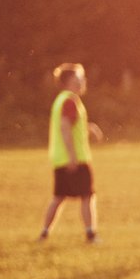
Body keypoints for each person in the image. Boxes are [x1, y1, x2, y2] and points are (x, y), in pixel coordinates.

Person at [39, 63, 104, 243]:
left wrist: (89, 128)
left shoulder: (63, 99)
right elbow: (65, 127)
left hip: (61, 158)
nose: (83, 81)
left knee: (59, 196)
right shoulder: (70, 100)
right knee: (88, 195)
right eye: (80, 78)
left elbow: (72, 125)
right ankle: (91, 234)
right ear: (71, 81)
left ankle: (44, 233)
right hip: (75, 158)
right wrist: (72, 157)